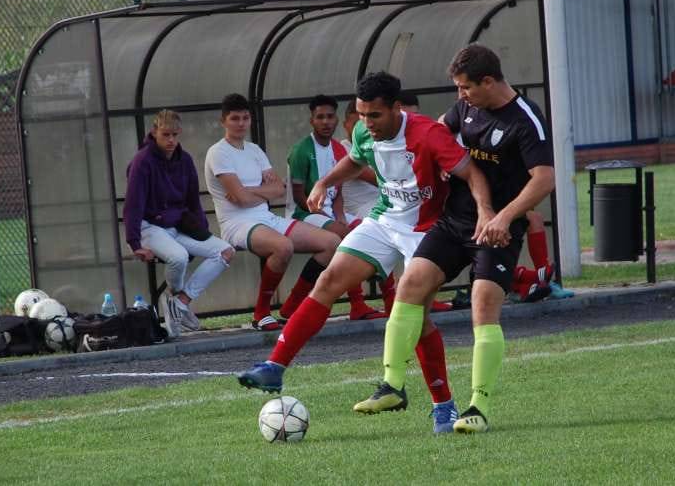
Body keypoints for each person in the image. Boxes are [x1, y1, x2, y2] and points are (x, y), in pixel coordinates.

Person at [237, 71, 496, 433]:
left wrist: (485, 212)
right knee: (328, 280)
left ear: (396, 109)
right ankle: (275, 367)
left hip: (425, 231)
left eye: (375, 115)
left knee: (418, 319)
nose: (366, 123)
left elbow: (473, 174)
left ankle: (444, 407)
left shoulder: (428, 134)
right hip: (382, 221)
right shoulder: (363, 132)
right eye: (361, 115)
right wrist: (324, 182)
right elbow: (357, 159)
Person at [354, 44, 556, 434]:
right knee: (410, 284)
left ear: (489, 81)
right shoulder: (465, 108)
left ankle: (477, 407)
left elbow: (543, 178)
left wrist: (505, 216)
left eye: (466, 88)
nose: (460, 96)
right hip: (455, 220)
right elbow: (436, 133)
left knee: (482, 305)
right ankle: (392, 385)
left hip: (498, 228)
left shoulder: (525, 119)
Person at [204, 93, 342, 331]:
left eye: (245, 118)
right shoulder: (218, 152)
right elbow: (240, 199)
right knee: (283, 246)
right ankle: (261, 313)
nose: (240, 123)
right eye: (235, 118)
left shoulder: (254, 149)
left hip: (264, 217)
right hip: (236, 223)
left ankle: (291, 308)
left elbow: (279, 188)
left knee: (331, 242)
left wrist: (250, 191)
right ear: (223, 121)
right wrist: (258, 192)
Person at [123, 110, 234, 338]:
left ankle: (179, 303)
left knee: (224, 251)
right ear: (154, 133)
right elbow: (133, 205)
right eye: (166, 135)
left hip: (178, 226)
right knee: (179, 257)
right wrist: (135, 244)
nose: (171, 140)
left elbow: (193, 200)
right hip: (149, 227)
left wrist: (202, 231)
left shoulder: (185, 160)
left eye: (175, 135)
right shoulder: (142, 161)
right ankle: (174, 295)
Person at [285, 94, 385, 320]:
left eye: (330, 116)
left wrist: (339, 215)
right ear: (312, 121)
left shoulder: (339, 149)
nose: (325, 122)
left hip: (330, 211)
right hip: (304, 213)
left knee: (370, 232)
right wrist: (325, 216)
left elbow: (338, 190)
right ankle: (355, 304)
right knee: (346, 238)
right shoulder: (302, 149)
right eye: (320, 117)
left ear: (336, 119)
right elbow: (300, 197)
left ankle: (382, 301)